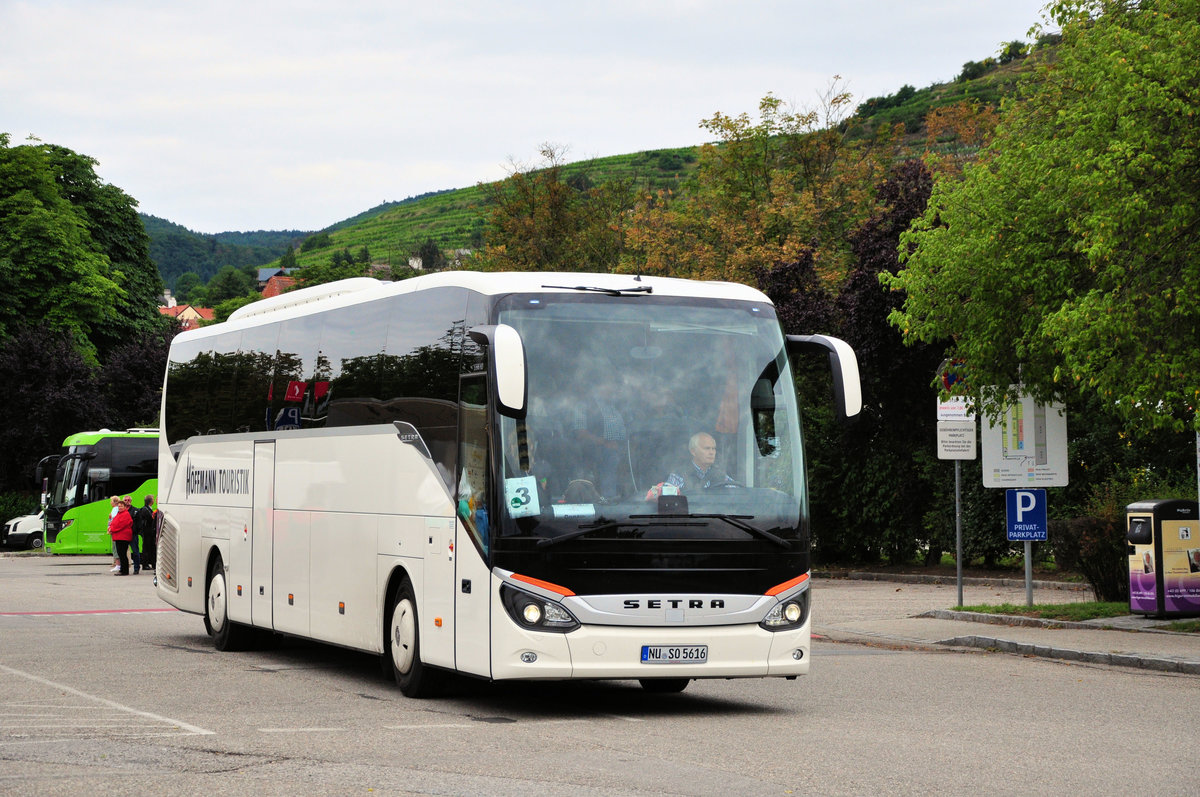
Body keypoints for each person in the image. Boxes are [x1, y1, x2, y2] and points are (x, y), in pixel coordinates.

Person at [647, 432, 736, 498]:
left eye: (713, 449)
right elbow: (658, 494)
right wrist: (655, 492)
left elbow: (738, 494)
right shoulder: (678, 476)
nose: (711, 452)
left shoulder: (721, 476)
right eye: (707, 448)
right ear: (693, 451)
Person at [108, 498, 134, 576]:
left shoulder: (125, 514)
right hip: (119, 536)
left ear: (125, 507)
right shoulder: (119, 514)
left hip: (123, 537)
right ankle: (122, 570)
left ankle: (124, 571)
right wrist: (110, 528)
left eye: (121, 506)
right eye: (119, 506)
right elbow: (113, 523)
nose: (120, 507)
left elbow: (120, 525)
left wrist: (112, 529)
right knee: (121, 553)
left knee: (122, 554)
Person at [134, 495, 158, 571]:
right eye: (153, 499)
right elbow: (150, 520)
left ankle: (152, 564)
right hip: (147, 532)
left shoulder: (148, 509)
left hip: (149, 532)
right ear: (151, 501)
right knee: (146, 548)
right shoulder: (145, 509)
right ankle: (145, 564)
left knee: (151, 548)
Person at [122, 496, 142, 574]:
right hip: (124, 534)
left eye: (128, 500)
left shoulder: (136, 510)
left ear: (131, 501)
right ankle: (124, 569)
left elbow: (139, 523)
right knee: (123, 552)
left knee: (135, 552)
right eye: (125, 500)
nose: (127, 501)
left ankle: (136, 568)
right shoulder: (121, 511)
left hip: (133, 534)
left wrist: (136, 531)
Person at [108, 496, 121, 573]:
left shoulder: (115, 509)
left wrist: (110, 528)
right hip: (114, 530)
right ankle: (118, 564)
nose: (110, 502)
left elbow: (113, 520)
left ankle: (118, 565)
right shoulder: (116, 509)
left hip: (114, 531)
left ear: (115, 502)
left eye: (111, 501)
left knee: (115, 548)